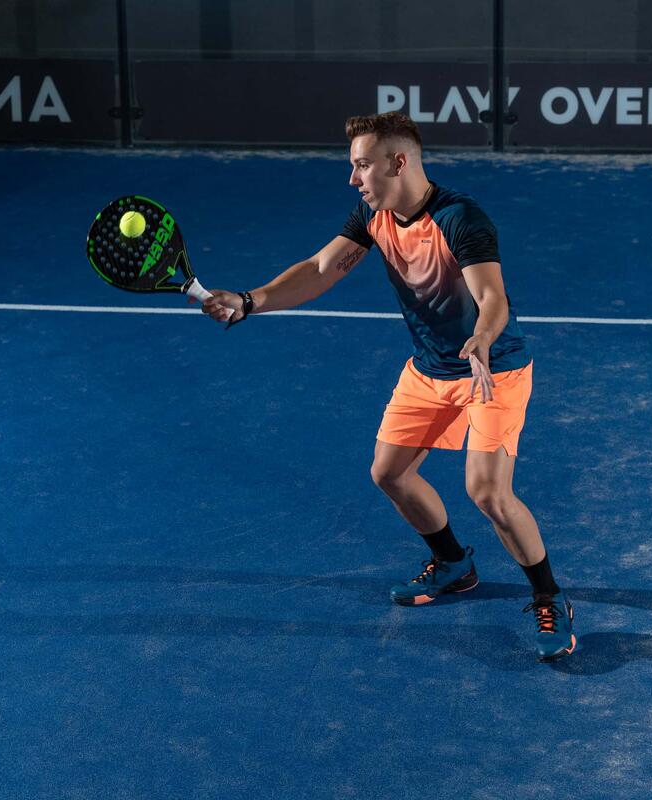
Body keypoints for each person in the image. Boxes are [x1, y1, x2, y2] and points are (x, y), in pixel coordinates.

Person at [195, 111, 576, 662]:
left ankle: (549, 596)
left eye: (362, 166)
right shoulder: (374, 216)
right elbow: (322, 267)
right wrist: (250, 300)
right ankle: (453, 564)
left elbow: (491, 296)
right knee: (389, 473)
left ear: (399, 163)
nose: (354, 179)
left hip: (491, 369)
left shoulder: (460, 218)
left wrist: (482, 339)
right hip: (428, 369)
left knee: (488, 491)